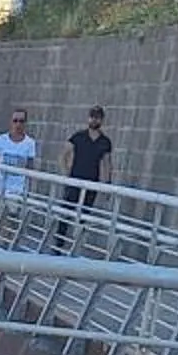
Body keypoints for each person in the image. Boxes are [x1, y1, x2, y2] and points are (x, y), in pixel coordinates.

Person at [58, 106, 112, 250]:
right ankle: (58, 246)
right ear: (88, 118)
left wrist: (107, 185)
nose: (94, 119)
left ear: (101, 120)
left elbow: (106, 164)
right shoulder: (78, 137)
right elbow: (64, 154)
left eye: (97, 117)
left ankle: (75, 247)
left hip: (91, 184)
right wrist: (66, 175)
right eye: (92, 116)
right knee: (66, 213)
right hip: (75, 181)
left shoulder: (104, 142)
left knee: (84, 216)